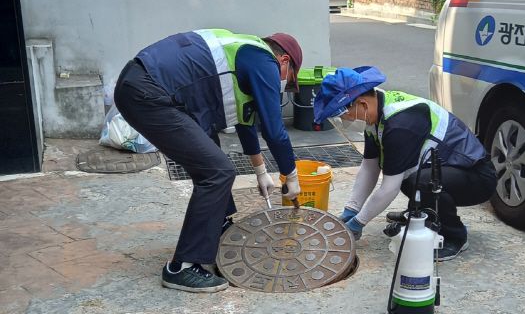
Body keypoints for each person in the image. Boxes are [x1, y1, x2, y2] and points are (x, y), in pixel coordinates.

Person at [114, 28, 303, 292]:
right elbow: (274, 129)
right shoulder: (264, 61)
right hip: (149, 93)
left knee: (210, 153)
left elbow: (245, 122)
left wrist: (261, 171)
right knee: (218, 172)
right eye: (289, 80)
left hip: (143, 85)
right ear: (284, 61)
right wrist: (290, 175)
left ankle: (219, 225)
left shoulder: (245, 54)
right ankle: (183, 266)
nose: (284, 84)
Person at [313, 66, 497, 260]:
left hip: (478, 177)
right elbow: (370, 167)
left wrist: (358, 223)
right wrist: (351, 210)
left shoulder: (401, 124)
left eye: (345, 115)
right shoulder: (376, 117)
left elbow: (389, 188)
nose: (345, 121)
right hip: (450, 171)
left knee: (419, 182)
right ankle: (421, 213)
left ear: (362, 104)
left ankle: (455, 236)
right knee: (411, 181)